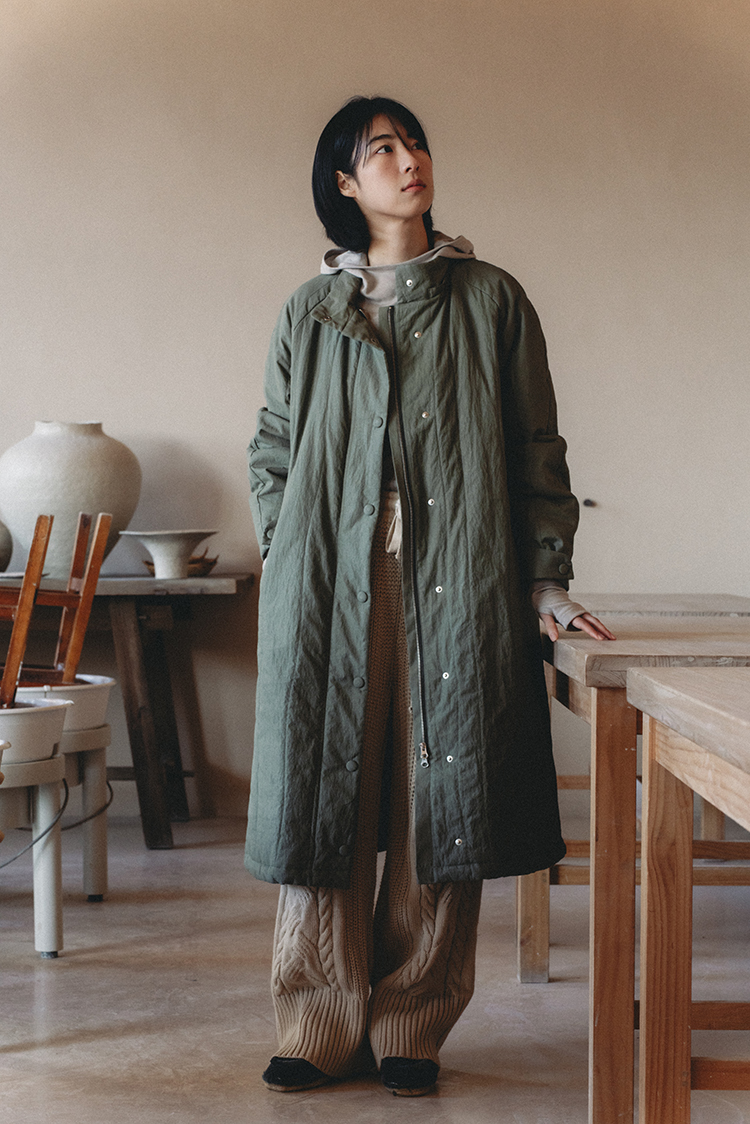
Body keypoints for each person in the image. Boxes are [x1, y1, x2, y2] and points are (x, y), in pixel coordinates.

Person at [245, 95, 615, 1098]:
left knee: (441, 798)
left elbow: (536, 450)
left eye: (415, 144)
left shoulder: (490, 300)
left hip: (461, 578)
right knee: (323, 797)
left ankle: (412, 1018)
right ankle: (317, 1020)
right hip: (332, 585)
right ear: (345, 182)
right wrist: (288, 549)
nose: (410, 159)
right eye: (384, 150)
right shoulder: (309, 310)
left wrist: (545, 579)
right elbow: (274, 446)